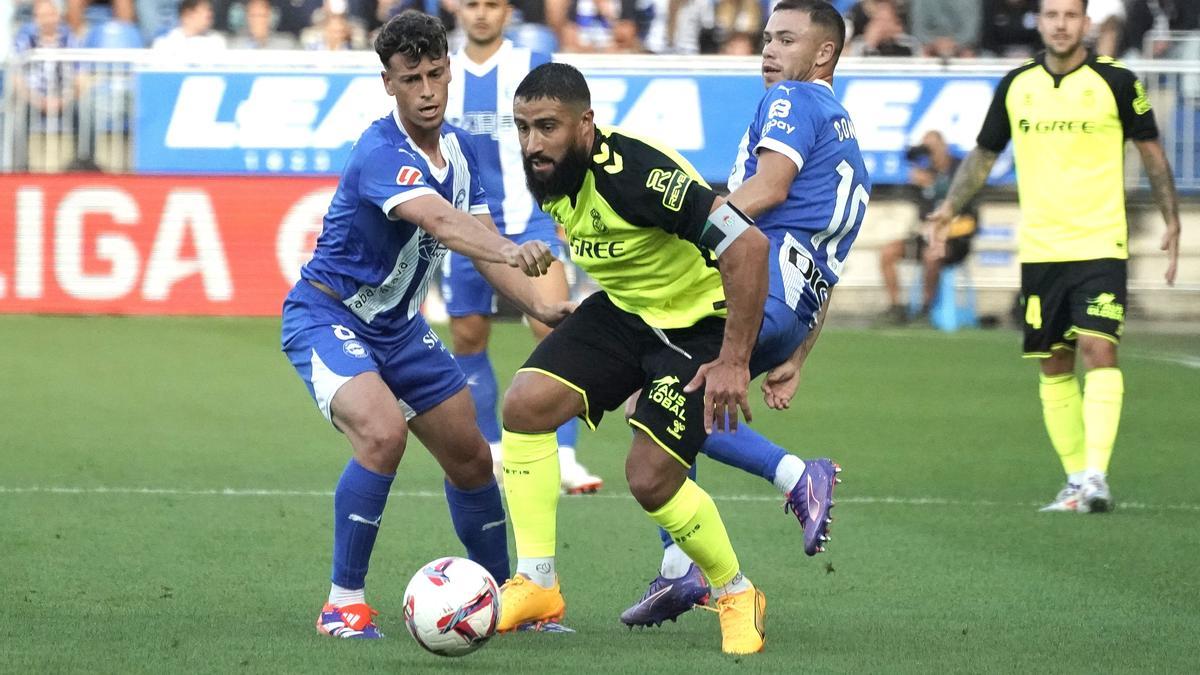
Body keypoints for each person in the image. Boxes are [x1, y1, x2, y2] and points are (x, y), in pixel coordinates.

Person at [280, 11, 571, 639]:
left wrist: (543, 308)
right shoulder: (379, 151)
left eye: (437, 73)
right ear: (389, 83)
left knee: (471, 458)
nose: (429, 90)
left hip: (401, 329)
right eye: (412, 78)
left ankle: (504, 602)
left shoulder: (469, 148)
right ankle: (343, 604)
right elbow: (445, 225)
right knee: (383, 436)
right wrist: (507, 250)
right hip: (327, 315)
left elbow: (485, 242)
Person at [494, 61, 773, 654]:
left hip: (699, 326)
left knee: (649, 480)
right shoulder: (547, 171)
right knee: (525, 406)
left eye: (547, 126)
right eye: (522, 128)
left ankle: (736, 591)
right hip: (627, 313)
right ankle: (538, 582)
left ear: (586, 124)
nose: (532, 143)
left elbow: (748, 245)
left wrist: (732, 359)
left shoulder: (640, 174)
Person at [621, 0, 866, 628]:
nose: (769, 51)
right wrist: (797, 354)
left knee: (656, 393)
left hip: (755, 287)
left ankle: (790, 480)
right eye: (766, 38)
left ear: (823, 55)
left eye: (787, 39)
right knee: (669, 396)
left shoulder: (795, 101)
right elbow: (829, 262)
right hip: (791, 305)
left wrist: (685, 229)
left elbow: (767, 189)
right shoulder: (845, 134)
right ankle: (678, 569)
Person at [927, 0, 1182, 514]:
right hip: (1041, 248)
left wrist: (1172, 218)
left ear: (1086, 22)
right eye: (1051, 15)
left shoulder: (1117, 82)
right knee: (1054, 363)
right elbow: (983, 154)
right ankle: (1073, 480)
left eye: (1070, 14)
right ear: (1039, 22)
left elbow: (1151, 150)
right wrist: (949, 207)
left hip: (1100, 242)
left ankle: (1096, 476)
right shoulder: (1016, 84)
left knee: (1098, 348)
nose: (1061, 24)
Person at [441, 0, 603, 495]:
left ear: (508, 11)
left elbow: (571, 142)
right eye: (473, 4)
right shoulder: (441, 72)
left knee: (556, 328)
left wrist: (571, 209)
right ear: (456, 9)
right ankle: (493, 453)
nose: (482, 14)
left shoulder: (531, 66)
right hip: (467, 227)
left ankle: (566, 457)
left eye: (492, 4)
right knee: (468, 337)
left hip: (530, 218)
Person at [878, 129, 976, 325]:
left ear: (943, 147)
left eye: (932, 148)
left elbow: (971, 217)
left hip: (955, 240)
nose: (929, 154)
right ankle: (897, 307)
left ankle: (925, 309)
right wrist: (922, 186)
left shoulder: (960, 170)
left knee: (932, 255)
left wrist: (934, 185)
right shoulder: (924, 171)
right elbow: (923, 213)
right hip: (926, 235)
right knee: (888, 252)